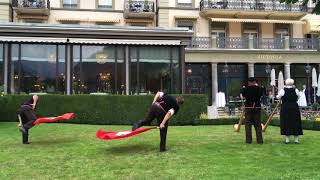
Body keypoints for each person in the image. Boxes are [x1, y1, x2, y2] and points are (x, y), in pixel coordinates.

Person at [276, 79, 303, 144]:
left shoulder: (282, 90)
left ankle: (287, 140)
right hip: (294, 107)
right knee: (295, 122)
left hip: (285, 108)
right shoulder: (296, 90)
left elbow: (278, 97)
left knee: (286, 122)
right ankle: (296, 140)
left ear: (286, 83)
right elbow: (299, 97)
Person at [240, 77, 264, 144]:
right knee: (258, 124)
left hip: (248, 107)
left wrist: (244, 89)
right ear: (255, 82)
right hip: (257, 107)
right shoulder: (259, 89)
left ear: (249, 82)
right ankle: (259, 140)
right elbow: (262, 94)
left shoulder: (246, 89)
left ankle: (248, 141)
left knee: (248, 124)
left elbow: (243, 95)